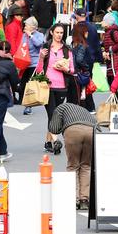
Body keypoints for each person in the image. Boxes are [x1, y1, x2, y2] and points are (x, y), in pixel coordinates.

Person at [49, 103, 96, 210]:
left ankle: (73, 199)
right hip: (91, 131)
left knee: (73, 166)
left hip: (73, 132)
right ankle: (84, 200)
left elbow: (54, 128)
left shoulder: (60, 108)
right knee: (86, 166)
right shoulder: (83, 110)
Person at [36, 24, 75, 155]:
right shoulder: (46, 47)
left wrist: (65, 69)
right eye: (57, 32)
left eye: (61, 32)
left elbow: (72, 69)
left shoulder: (67, 50)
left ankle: (48, 142)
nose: (59, 35)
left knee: (55, 114)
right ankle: (56, 140)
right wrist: (41, 57)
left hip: (62, 86)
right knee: (52, 114)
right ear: (51, 32)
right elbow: (39, 70)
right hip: (47, 86)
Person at [18, 17, 45, 115]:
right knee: (23, 85)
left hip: (35, 63)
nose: (25, 27)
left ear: (33, 27)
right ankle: (25, 102)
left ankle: (28, 106)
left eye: (26, 25)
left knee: (30, 85)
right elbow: (22, 46)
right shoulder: (24, 35)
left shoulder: (40, 35)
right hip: (25, 62)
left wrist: (31, 36)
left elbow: (39, 44)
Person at [68, 23, 91, 108]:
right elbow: (79, 59)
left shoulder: (72, 43)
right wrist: (86, 67)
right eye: (86, 31)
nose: (87, 33)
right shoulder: (82, 45)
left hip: (71, 72)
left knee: (71, 98)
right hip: (78, 73)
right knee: (79, 97)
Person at [101, 14, 118, 85]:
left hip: (115, 61)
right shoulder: (108, 32)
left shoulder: (113, 32)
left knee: (114, 82)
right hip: (111, 61)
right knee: (111, 81)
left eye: (103, 21)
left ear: (107, 23)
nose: (102, 22)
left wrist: (111, 49)